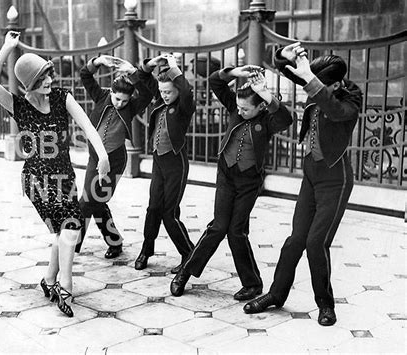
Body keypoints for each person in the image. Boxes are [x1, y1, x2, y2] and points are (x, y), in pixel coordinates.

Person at [0, 31, 110, 317]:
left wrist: (102, 154)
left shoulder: (61, 98)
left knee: (65, 232)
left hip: (64, 177)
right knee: (68, 229)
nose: (50, 81)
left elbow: (88, 126)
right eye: (43, 78)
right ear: (31, 84)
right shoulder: (18, 105)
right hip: (37, 180)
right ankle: (65, 286)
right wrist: (6, 48)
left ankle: (49, 280)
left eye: (49, 75)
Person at [244, 43, 362, 327]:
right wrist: (281, 57)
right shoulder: (321, 85)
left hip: (336, 179)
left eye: (319, 83)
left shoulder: (350, 100)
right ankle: (275, 294)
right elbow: (292, 73)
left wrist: (310, 78)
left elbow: (333, 110)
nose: (311, 85)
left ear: (335, 84)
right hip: (311, 175)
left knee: (315, 243)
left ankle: (325, 305)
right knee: (295, 240)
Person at [170, 64, 293, 299]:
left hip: (249, 182)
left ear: (260, 106)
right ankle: (185, 273)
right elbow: (216, 82)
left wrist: (267, 95)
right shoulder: (236, 110)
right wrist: (235, 73)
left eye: (246, 109)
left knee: (237, 231)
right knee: (218, 227)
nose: (240, 111)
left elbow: (286, 119)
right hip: (226, 174)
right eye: (238, 107)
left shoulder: (268, 120)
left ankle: (252, 284)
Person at [77, 55, 154, 258]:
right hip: (95, 157)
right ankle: (111, 243)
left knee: (93, 201)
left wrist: (133, 73)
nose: (120, 104)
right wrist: (98, 61)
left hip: (116, 160)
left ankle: (74, 244)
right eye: (117, 98)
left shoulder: (131, 106)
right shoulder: (101, 96)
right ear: (110, 92)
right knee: (90, 201)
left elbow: (147, 94)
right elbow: (85, 75)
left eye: (124, 100)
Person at [134, 54, 195, 273]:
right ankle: (146, 249)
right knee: (153, 208)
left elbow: (187, 91)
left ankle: (189, 254)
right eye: (162, 92)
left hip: (176, 163)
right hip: (158, 162)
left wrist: (175, 68)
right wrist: (151, 64)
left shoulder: (184, 106)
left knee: (170, 213)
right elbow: (142, 78)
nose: (165, 95)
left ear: (177, 90)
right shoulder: (160, 102)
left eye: (169, 92)